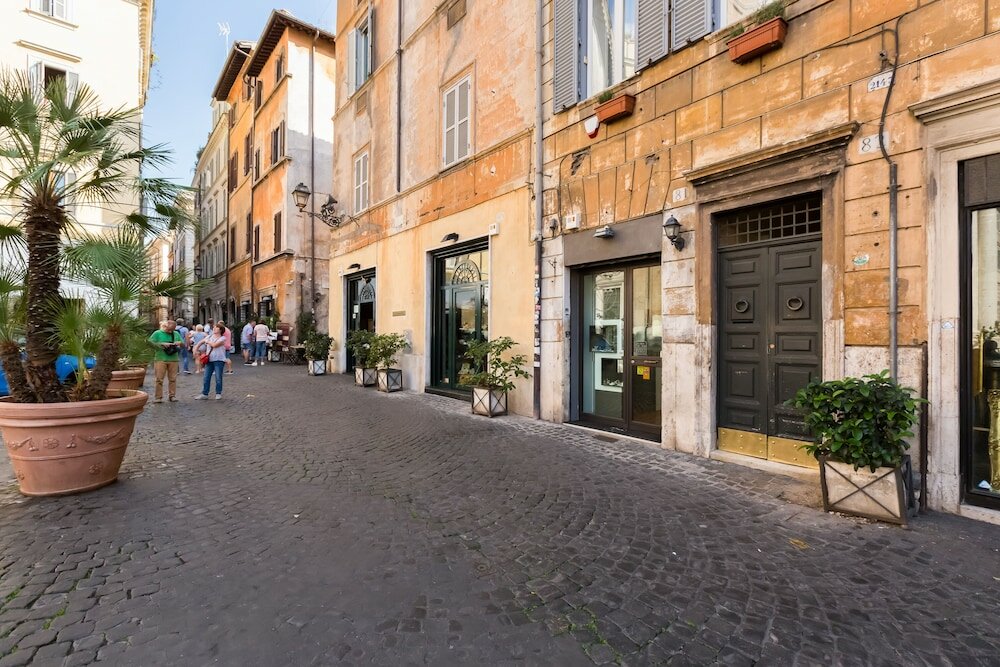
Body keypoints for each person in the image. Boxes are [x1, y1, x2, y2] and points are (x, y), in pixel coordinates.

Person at [148, 320, 183, 403]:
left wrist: (179, 343)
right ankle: (158, 397)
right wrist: (162, 344)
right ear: (165, 326)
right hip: (160, 359)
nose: (170, 332)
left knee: (173, 379)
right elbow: (150, 343)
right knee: (159, 379)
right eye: (169, 330)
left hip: (173, 359)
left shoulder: (176, 334)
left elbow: (183, 344)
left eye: (172, 330)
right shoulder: (157, 333)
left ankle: (172, 396)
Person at [195, 323, 227, 400]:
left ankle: (218, 393)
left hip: (219, 360)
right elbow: (200, 342)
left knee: (218, 377)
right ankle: (204, 393)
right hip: (209, 359)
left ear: (221, 330)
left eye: (216, 327)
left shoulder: (223, 338)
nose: (214, 328)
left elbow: (215, 345)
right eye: (214, 327)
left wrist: (207, 341)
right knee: (206, 377)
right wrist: (195, 349)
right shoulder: (209, 336)